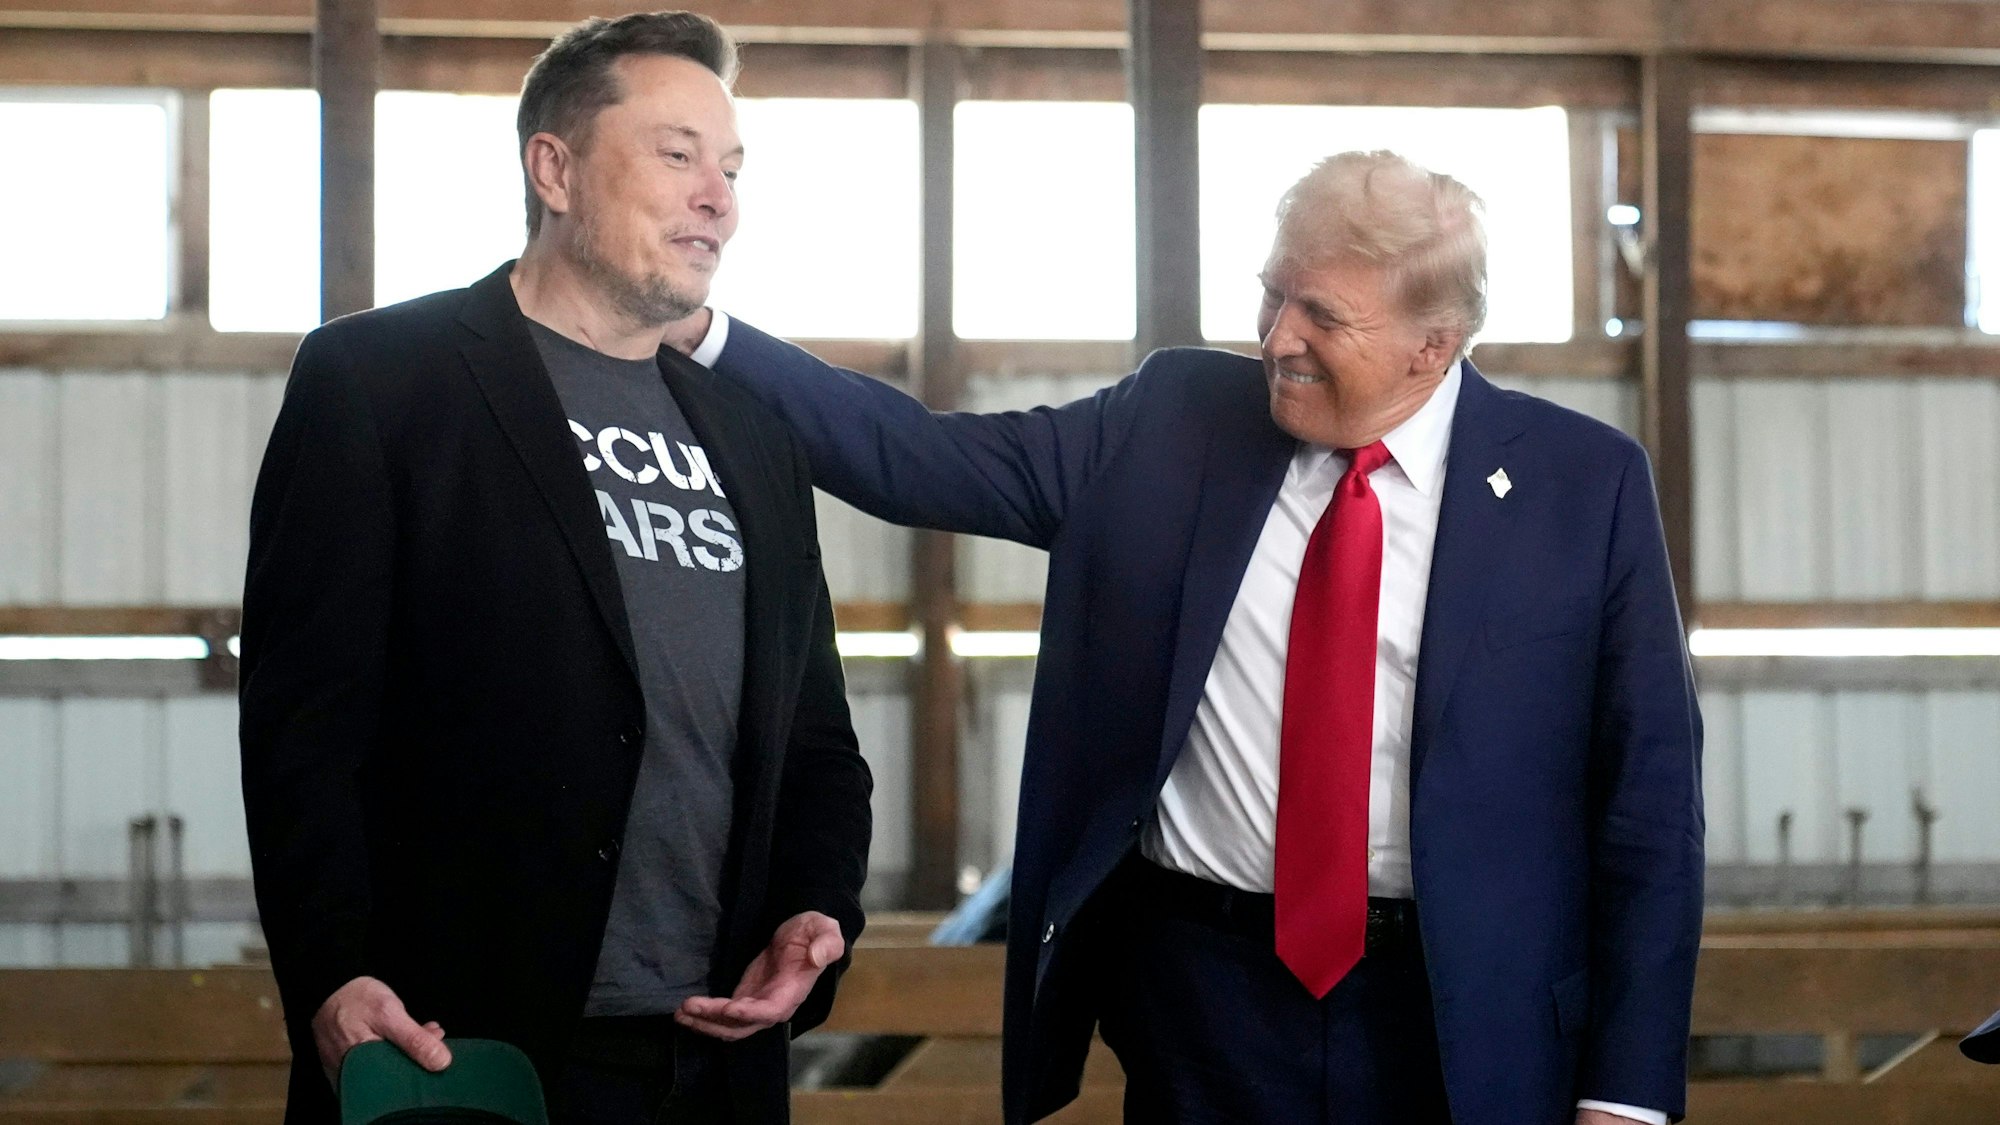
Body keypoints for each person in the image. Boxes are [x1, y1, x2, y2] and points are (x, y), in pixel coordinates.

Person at [673, 151, 1702, 1124]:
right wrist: (696, 331)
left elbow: (1650, 806)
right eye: (1272, 294)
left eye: (1322, 315)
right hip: (1204, 1005)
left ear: (1430, 346)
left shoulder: (1584, 484)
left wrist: (1626, 1090)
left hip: (1463, 1014)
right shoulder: (1174, 420)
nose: (1277, 338)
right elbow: (919, 459)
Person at [239, 13, 872, 1125]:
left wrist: (814, 910)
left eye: (730, 170)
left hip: (712, 1054)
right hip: (459, 1043)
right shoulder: (383, 382)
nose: (718, 200)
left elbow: (814, 738)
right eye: (677, 155)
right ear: (555, 169)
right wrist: (331, 969)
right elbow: (304, 724)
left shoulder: (754, 436)